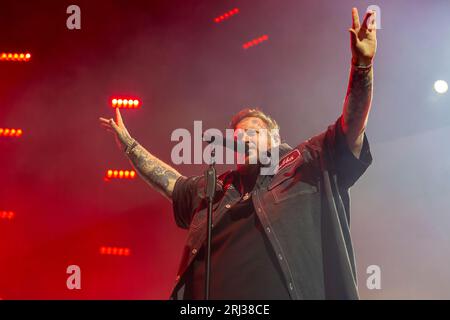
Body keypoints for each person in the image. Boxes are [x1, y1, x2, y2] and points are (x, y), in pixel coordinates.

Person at [99, 7, 377, 300]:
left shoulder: (305, 160)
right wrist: (130, 147)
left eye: (254, 130)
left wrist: (361, 67)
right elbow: (172, 183)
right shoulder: (216, 190)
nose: (245, 136)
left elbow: (351, 127)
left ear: (275, 137)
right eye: (239, 134)